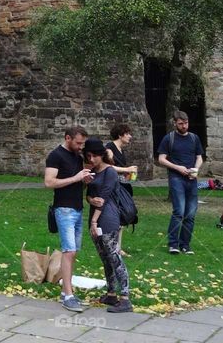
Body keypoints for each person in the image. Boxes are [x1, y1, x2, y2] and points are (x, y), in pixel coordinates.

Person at [44, 125, 92, 313]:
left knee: (73, 253)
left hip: (78, 208)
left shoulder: (77, 156)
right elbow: (49, 182)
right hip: (63, 209)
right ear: (68, 138)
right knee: (68, 251)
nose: (81, 147)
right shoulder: (56, 155)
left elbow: (77, 179)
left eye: (83, 144)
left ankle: (67, 292)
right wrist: (76, 178)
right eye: (78, 143)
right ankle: (68, 296)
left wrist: (85, 180)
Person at [83, 138, 133, 313]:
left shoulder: (110, 172)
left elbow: (103, 198)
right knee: (105, 258)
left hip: (107, 218)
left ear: (101, 154)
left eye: (94, 155)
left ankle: (125, 297)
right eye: (88, 156)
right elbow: (90, 195)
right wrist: (90, 198)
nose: (91, 159)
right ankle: (111, 293)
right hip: (95, 217)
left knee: (114, 257)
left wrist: (95, 221)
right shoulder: (94, 171)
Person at [157, 110, 204, 254]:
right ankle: (173, 244)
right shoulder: (169, 138)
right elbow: (161, 159)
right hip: (176, 178)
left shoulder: (194, 138)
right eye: (181, 123)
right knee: (179, 211)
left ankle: (185, 245)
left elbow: (199, 157)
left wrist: (195, 169)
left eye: (186, 123)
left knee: (190, 214)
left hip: (191, 178)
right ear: (175, 123)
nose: (184, 126)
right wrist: (178, 168)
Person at [105, 123, 138, 256]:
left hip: (122, 186)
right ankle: (113, 246)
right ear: (120, 135)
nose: (130, 136)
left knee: (122, 218)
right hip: (112, 188)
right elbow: (107, 166)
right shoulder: (109, 149)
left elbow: (118, 170)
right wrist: (126, 169)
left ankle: (118, 247)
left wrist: (127, 174)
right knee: (116, 217)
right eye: (127, 133)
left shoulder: (121, 150)